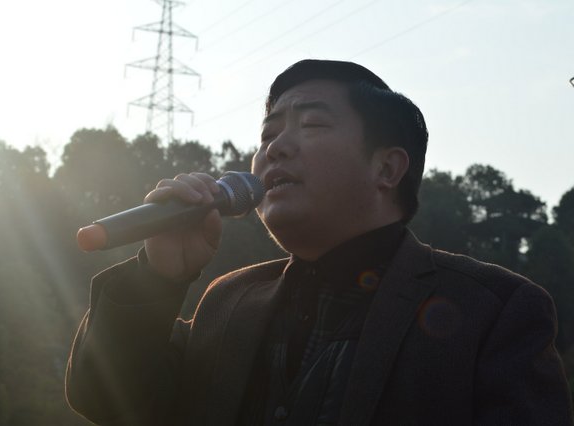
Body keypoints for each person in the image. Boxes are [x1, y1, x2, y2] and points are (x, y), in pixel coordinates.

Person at [65, 59, 573, 425]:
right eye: (267, 135)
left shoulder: (493, 311)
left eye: (311, 124)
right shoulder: (228, 301)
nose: (275, 148)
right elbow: (107, 399)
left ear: (387, 168)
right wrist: (156, 278)